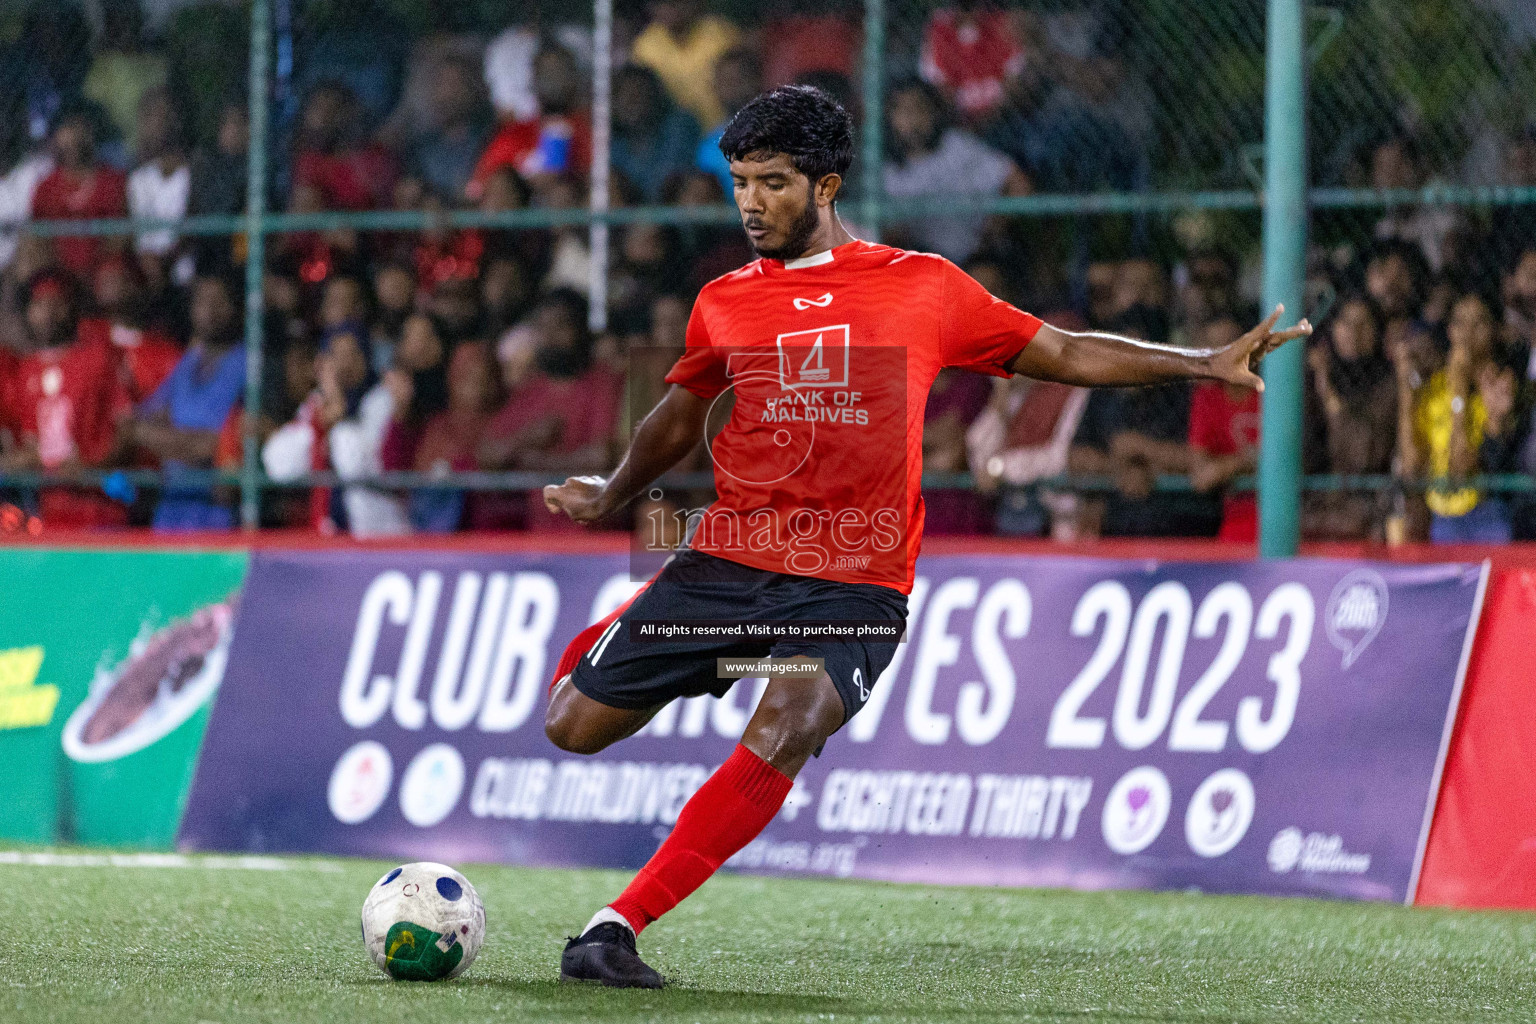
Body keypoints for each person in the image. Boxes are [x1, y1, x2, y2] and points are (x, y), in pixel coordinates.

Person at [537, 85, 1310, 986]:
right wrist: (611, 494)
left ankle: (614, 928)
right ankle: (670, 633)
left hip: (857, 582)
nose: (750, 202)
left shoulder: (923, 286)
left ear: (827, 186)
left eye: (774, 183)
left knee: (787, 726)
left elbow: (1059, 349)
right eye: (741, 182)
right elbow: (678, 415)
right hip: (728, 562)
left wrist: (1201, 363)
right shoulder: (722, 301)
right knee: (571, 727)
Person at [0, 268, 131, 527]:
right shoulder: (26, 371)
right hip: (49, 515)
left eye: (56, 303)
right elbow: (31, 443)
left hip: (100, 510)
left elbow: (127, 429)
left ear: (71, 308)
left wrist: (91, 464)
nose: (48, 313)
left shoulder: (98, 360)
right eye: (39, 304)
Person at [1399, 291, 1519, 543]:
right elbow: (1411, 465)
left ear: (1493, 330)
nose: (1468, 332)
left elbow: (1461, 469)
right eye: (1460, 322)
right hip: (1442, 517)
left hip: (1488, 513)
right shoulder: (1434, 387)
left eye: (1479, 323)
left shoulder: (1500, 385)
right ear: (1450, 330)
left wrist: (1460, 392)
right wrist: (1406, 391)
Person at [129, 274, 245, 530]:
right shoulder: (188, 362)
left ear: (236, 308)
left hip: (219, 518)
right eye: (202, 301)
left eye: (219, 301)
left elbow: (215, 446)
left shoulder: (248, 365)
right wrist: (186, 444)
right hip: (170, 513)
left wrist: (163, 439)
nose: (210, 311)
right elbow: (138, 422)